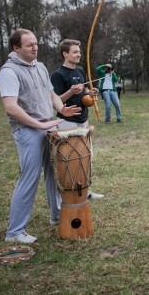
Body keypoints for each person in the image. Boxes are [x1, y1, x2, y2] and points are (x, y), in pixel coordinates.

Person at [0, 28, 81, 244]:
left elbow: (50, 94)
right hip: (27, 131)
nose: (35, 47)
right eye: (29, 45)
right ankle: (15, 232)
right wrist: (37, 124)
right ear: (16, 48)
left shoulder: (40, 67)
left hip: (48, 127)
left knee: (55, 173)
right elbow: (10, 108)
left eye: (36, 43)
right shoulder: (8, 71)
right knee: (30, 177)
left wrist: (62, 108)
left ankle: (56, 214)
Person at [50, 39, 104, 200]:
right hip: (67, 122)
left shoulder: (80, 70)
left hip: (83, 119)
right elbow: (56, 100)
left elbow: (83, 89)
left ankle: (85, 191)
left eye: (79, 52)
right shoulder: (58, 75)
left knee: (85, 157)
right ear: (65, 54)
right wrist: (71, 92)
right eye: (75, 52)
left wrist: (89, 92)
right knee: (69, 159)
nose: (79, 54)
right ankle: (65, 195)